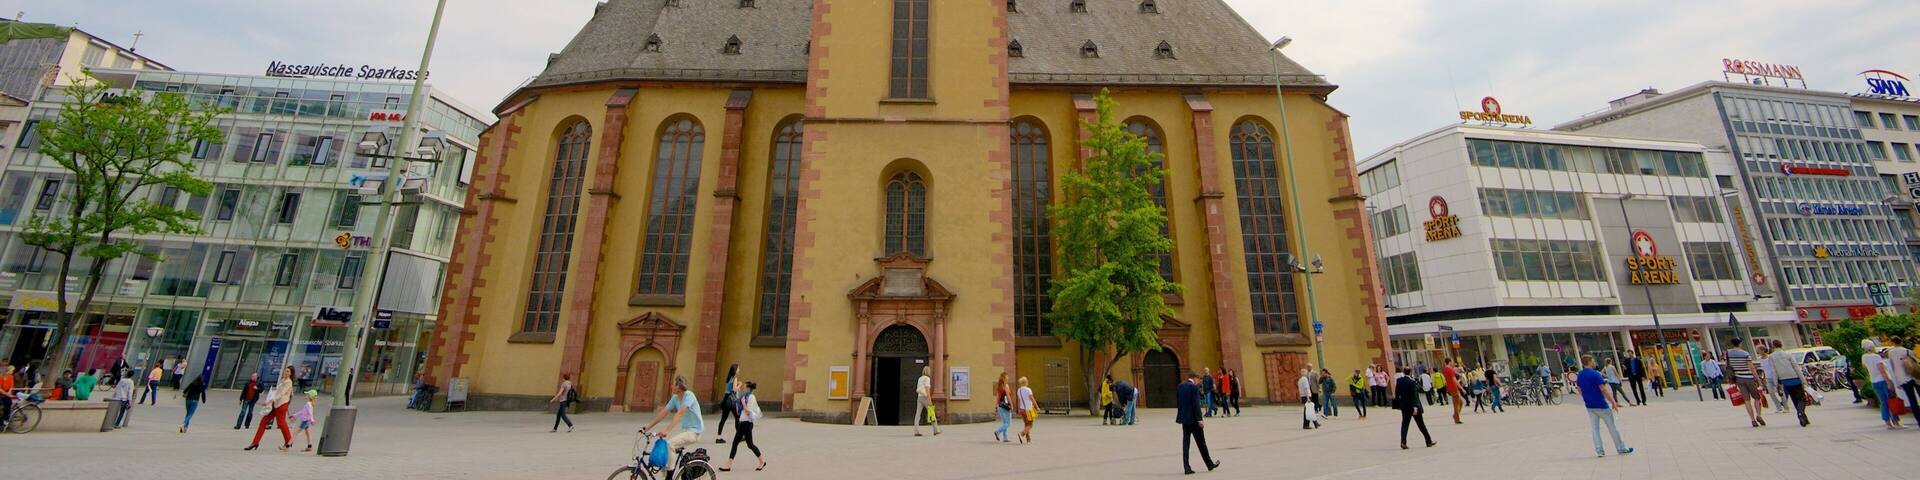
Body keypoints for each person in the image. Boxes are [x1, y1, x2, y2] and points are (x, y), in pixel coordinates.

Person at [1575, 355, 1634, 458]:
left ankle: (1599, 451)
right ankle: (1621, 448)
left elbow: (1579, 388)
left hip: (1590, 406)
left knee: (1595, 429)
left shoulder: (1580, 374)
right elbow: (1603, 389)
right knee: (1612, 427)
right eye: (1593, 360)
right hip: (1601, 405)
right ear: (1589, 361)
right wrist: (1613, 402)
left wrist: (1585, 397)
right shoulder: (1595, 374)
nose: (1594, 362)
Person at [643, 376, 704, 466]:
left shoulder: (689, 396)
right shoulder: (675, 398)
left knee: (669, 444)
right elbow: (663, 413)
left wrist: (667, 431)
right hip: (687, 431)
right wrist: (647, 427)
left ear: (678, 387)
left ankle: (669, 475)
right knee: (667, 449)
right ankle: (668, 471)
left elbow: (680, 413)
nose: (671, 386)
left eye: (673, 384)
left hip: (695, 432)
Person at [1175, 371, 1220, 475]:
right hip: (1194, 420)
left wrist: (1181, 416)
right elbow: (1196, 405)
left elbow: (1178, 402)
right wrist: (1200, 420)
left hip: (1185, 420)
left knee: (1186, 444)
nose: (1198, 382)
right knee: (1201, 443)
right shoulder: (1194, 388)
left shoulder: (1180, 386)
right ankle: (1209, 464)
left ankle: (1186, 467)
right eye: (1198, 380)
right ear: (1194, 378)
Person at [719, 380, 766, 472]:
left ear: (749, 388)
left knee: (741, 444)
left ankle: (729, 465)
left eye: (745, 387)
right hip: (742, 422)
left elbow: (748, 411)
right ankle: (762, 461)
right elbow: (739, 411)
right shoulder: (744, 396)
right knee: (747, 444)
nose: (744, 388)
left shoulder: (751, 397)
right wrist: (738, 402)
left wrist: (743, 403)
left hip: (747, 423)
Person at [245, 367, 295, 452]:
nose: (285, 372)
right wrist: (270, 397)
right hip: (275, 404)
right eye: (285, 370)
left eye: (287, 371)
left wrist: (272, 400)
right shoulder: (283, 380)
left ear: (291, 373)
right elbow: (278, 392)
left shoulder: (288, 382)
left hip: (281, 405)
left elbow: (282, 394)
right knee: (263, 422)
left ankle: (289, 441)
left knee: (281, 424)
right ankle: (255, 442)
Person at [1765, 340, 1810, 427]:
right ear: (1781, 345)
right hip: (1795, 378)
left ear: (1773, 346)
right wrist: (1803, 380)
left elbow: (1773, 370)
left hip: (1784, 380)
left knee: (1793, 398)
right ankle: (1801, 413)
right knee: (1801, 398)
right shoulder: (1788, 354)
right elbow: (1795, 367)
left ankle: (1803, 417)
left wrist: (1776, 383)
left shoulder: (1771, 357)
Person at [1862, 339, 1903, 430]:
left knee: (1883, 402)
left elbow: (1864, 366)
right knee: (1891, 400)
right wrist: (1889, 382)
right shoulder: (1876, 357)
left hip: (1874, 381)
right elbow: (1882, 371)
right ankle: (1896, 421)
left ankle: (1887, 422)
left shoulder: (1864, 357)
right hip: (1883, 380)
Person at [1725, 341, 1766, 427]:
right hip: (1749, 378)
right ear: (1739, 344)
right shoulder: (1745, 353)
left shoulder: (1728, 354)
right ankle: (1758, 415)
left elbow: (1727, 366)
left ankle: (1752, 420)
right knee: (1757, 397)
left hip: (1739, 379)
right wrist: (1759, 380)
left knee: (1747, 400)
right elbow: (1751, 368)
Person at [1393, 368, 1434, 450]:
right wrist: (1415, 407)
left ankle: (1403, 442)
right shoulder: (1412, 382)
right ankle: (1428, 441)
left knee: (1404, 424)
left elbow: (1397, 393)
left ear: (1404, 372)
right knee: (1421, 424)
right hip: (1413, 406)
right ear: (1410, 372)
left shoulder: (1399, 380)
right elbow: (1414, 395)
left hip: (1404, 406)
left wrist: (1399, 403)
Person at [1884, 336, 1920, 427]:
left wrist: (1897, 382)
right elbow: (1916, 362)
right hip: (1914, 377)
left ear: (1893, 343)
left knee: (1912, 400)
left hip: (1902, 379)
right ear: (1901, 342)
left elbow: (1893, 367)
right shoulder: (1907, 351)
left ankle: (1919, 420)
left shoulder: (1890, 353)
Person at [713, 364, 739, 443]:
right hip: (731, 401)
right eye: (738, 368)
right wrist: (739, 385)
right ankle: (739, 436)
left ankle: (718, 437)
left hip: (725, 399)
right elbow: (734, 389)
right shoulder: (734, 378)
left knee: (723, 419)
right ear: (735, 370)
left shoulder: (728, 378)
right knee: (737, 417)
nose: (739, 370)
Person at [913, 366, 939, 436]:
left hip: (919, 398)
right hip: (925, 398)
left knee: (917, 415)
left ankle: (916, 431)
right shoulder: (927, 379)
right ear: (928, 371)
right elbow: (927, 390)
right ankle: (936, 430)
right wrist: (929, 400)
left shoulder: (920, 378)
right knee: (931, 413)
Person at [1442, 358, 1463, 424]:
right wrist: (1461, 388)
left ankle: (1456, 416)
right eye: (1452, 361)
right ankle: (1456, 417)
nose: (1453, 363)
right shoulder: (1450, 369)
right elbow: (1454, 379)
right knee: (1457, 404)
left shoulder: (1444, 369)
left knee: (1459, 402)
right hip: (1454, 388)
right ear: (1449, 362)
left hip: (1450, 387)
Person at [993, 373, 1013, 442]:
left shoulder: (999, 386)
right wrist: (1011, 404)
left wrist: (996, 406)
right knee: (1008, 423)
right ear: (1005, 378)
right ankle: (997, 431)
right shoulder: (1005, 386)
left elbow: (997, 397)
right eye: (1007, 376)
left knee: (1004, 422)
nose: (1008, 377)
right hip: (1006, 406)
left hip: (1000, 406)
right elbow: (1008, 396)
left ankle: (1005, 438)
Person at [1016, 376, 1036, 444]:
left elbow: (1018, 400)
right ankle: (1021, 434)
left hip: (1022, 409)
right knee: (1030, 425)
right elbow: (1032, 399)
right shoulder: (1028, 390)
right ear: (1026, 382)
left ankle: (1028, 440)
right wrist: (1037, 406)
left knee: (1026, 424)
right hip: (1028, 410)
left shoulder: (1019, 390)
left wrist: (1018, 409)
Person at [0, 365, 13, 433]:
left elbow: (11, 386)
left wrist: (9, 393)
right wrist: (6, 393)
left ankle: (4, 422)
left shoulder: (11, 377)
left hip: (6, 394)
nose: (12, 372)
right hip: (2, 394)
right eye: (11, 370)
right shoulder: (1, 377)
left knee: (7, 408)